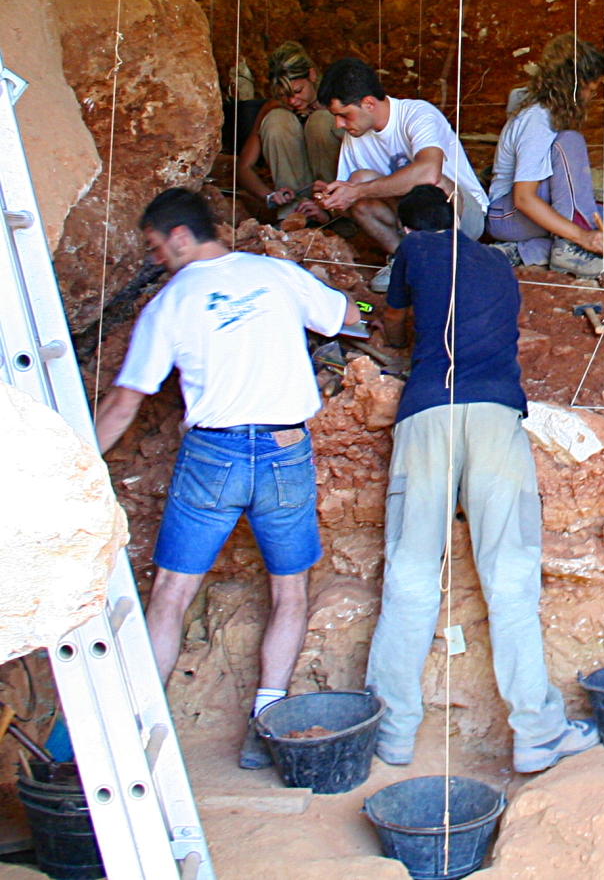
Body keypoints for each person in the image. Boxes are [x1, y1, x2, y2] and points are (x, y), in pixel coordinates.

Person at [92, 186, 350, 768]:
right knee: (290, 591)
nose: (157, 260)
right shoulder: (276, 274)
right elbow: (346, 316)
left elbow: (123, 404)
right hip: (285, 451)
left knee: (171, 593)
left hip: (214, 455)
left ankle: (138, 735)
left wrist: (77, 460)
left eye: (158, 247)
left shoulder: (170, 304)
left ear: (181, 236)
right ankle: (266, 722)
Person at [364, 185, 598, 774]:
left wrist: (391, 341)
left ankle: (390, 733)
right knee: (511, 576)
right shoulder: (495, 260)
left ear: (411, 228)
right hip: (496, 415)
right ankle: (538, 733)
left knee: (411, 574)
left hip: (426, 414)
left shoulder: (415, 250)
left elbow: (392, 317)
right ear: (456, 217)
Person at [311, 58, 487, 293]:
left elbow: (428, 172)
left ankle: (446, 262)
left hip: (462, 216)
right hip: (409, 221)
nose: (339, 123)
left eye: (344, 115)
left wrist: (358, 191)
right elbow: (353, 198)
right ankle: (404, 259)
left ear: (368, 103)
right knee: (358, 180)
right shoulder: (355, 136)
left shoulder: (417, 113)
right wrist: (333, 198)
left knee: (435, 184)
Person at [485, 34, 604, 279]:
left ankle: (520, 252)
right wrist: (582, 235)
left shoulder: (551, 111)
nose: (590, 97)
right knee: (570, 142)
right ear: (571, 87)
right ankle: (567, 249)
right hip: (507, 213)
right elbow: (523, 198)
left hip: (537, 207)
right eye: (590, 90)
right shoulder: (536, 120)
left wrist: (583, 233)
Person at [234, 42, 341, 223]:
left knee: (320, 121)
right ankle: (293, 216)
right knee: (277, 119)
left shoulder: (336, 102)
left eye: (298, 91)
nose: (292, 100)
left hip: (337, 199)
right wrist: (270, 196)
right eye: (284, 94)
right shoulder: (277, 107)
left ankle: (334, 213)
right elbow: (244, 168)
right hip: (297, 199)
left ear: (312, 75)